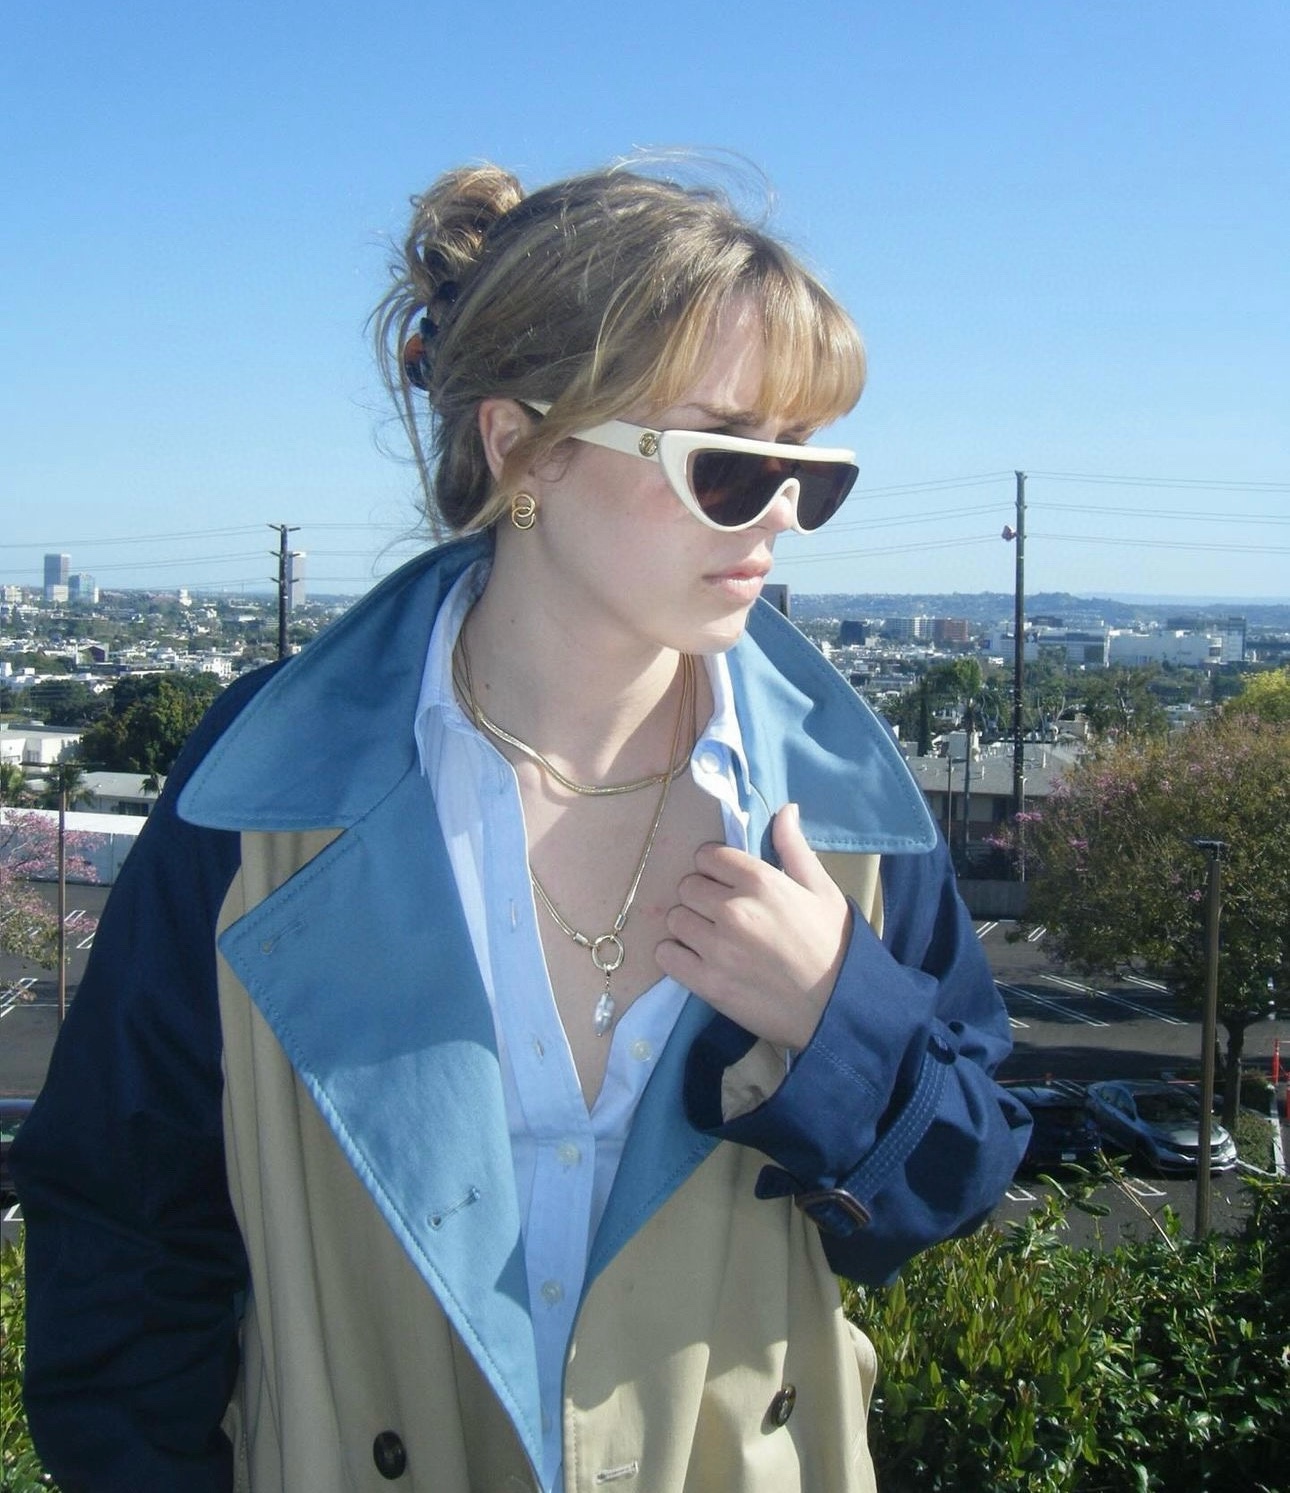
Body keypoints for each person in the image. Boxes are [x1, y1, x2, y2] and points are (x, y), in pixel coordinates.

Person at [14, 160, 1030, 1493]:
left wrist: (835, 1016)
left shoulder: (839, 806)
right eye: (728, 462)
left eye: (810, 468)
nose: (782, 513)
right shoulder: (264, 788)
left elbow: (957, 1179)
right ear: (522, 446)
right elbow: (124, 1228)